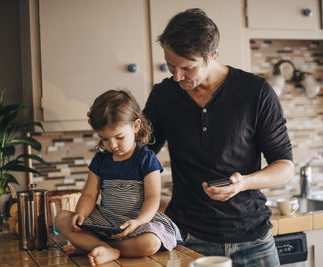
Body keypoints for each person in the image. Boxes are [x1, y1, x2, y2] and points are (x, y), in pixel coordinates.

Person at [143, 8, 294, 267]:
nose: (176, 76)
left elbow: (285, 167)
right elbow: (140, 156)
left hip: (253, 240)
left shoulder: (255, 92)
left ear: (212, 55)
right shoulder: (163, 96)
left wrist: (243, 183)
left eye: (187, 67)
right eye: (170, 65)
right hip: (188, 237)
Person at [55, 90, 181, 266]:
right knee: (61, 219)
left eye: (119, 137)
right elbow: (89, 195)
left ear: (136, 126)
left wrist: (138, 221)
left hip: (138, 222)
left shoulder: (146, 158)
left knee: (151, 243)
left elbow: (153, 197)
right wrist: (80, 213)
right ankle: (102, 247)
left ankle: (95, 247)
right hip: (106, 220)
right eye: (105, 139)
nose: (112, 145)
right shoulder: (100, 160)